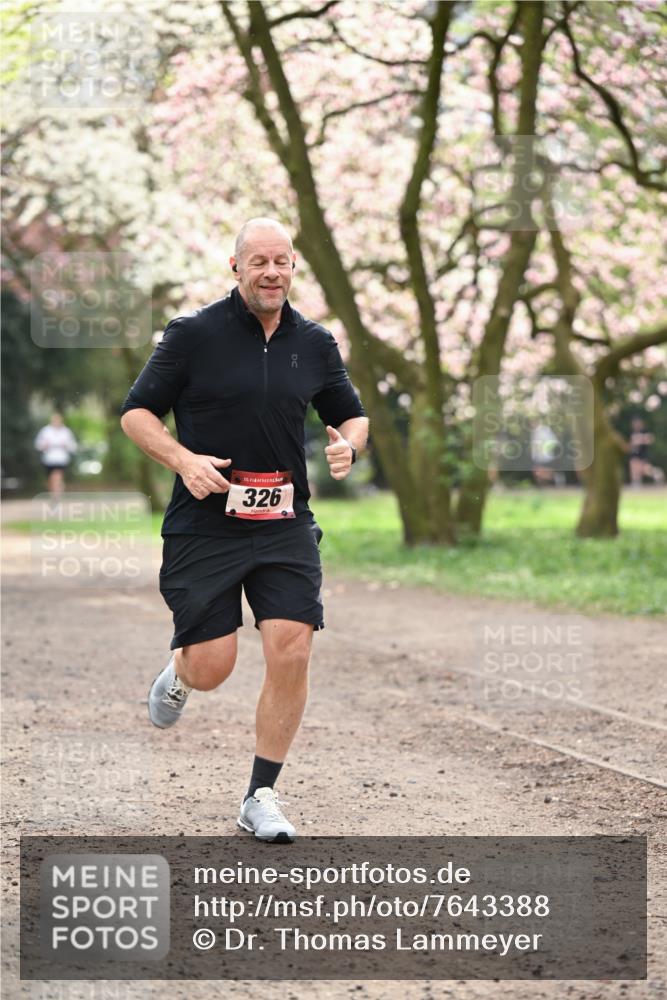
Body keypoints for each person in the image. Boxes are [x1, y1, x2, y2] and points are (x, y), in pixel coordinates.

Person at [120, 218, 368, 843]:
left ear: (293, 267)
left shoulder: (313, 342)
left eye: (281, 261)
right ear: (235, 267)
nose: (271, 273)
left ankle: (261, 794)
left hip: (284, 519)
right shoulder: (192, 335)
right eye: (259, 261)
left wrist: (350, 448)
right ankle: (180, 673)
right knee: (213, 668)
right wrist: (183, 461)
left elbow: (351, 415)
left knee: (293, 644)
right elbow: (137, 412)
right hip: (205, 524)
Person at [34, 413, 77, 496]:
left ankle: (57, 496)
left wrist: (66, 445)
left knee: (57, 476)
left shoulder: (66, 432)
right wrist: (44, 445)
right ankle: (55, 492)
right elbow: (38, 444)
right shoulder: (45, 431)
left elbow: (73, 446)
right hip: (49, 459)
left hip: (61, 459)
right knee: (50, 480)